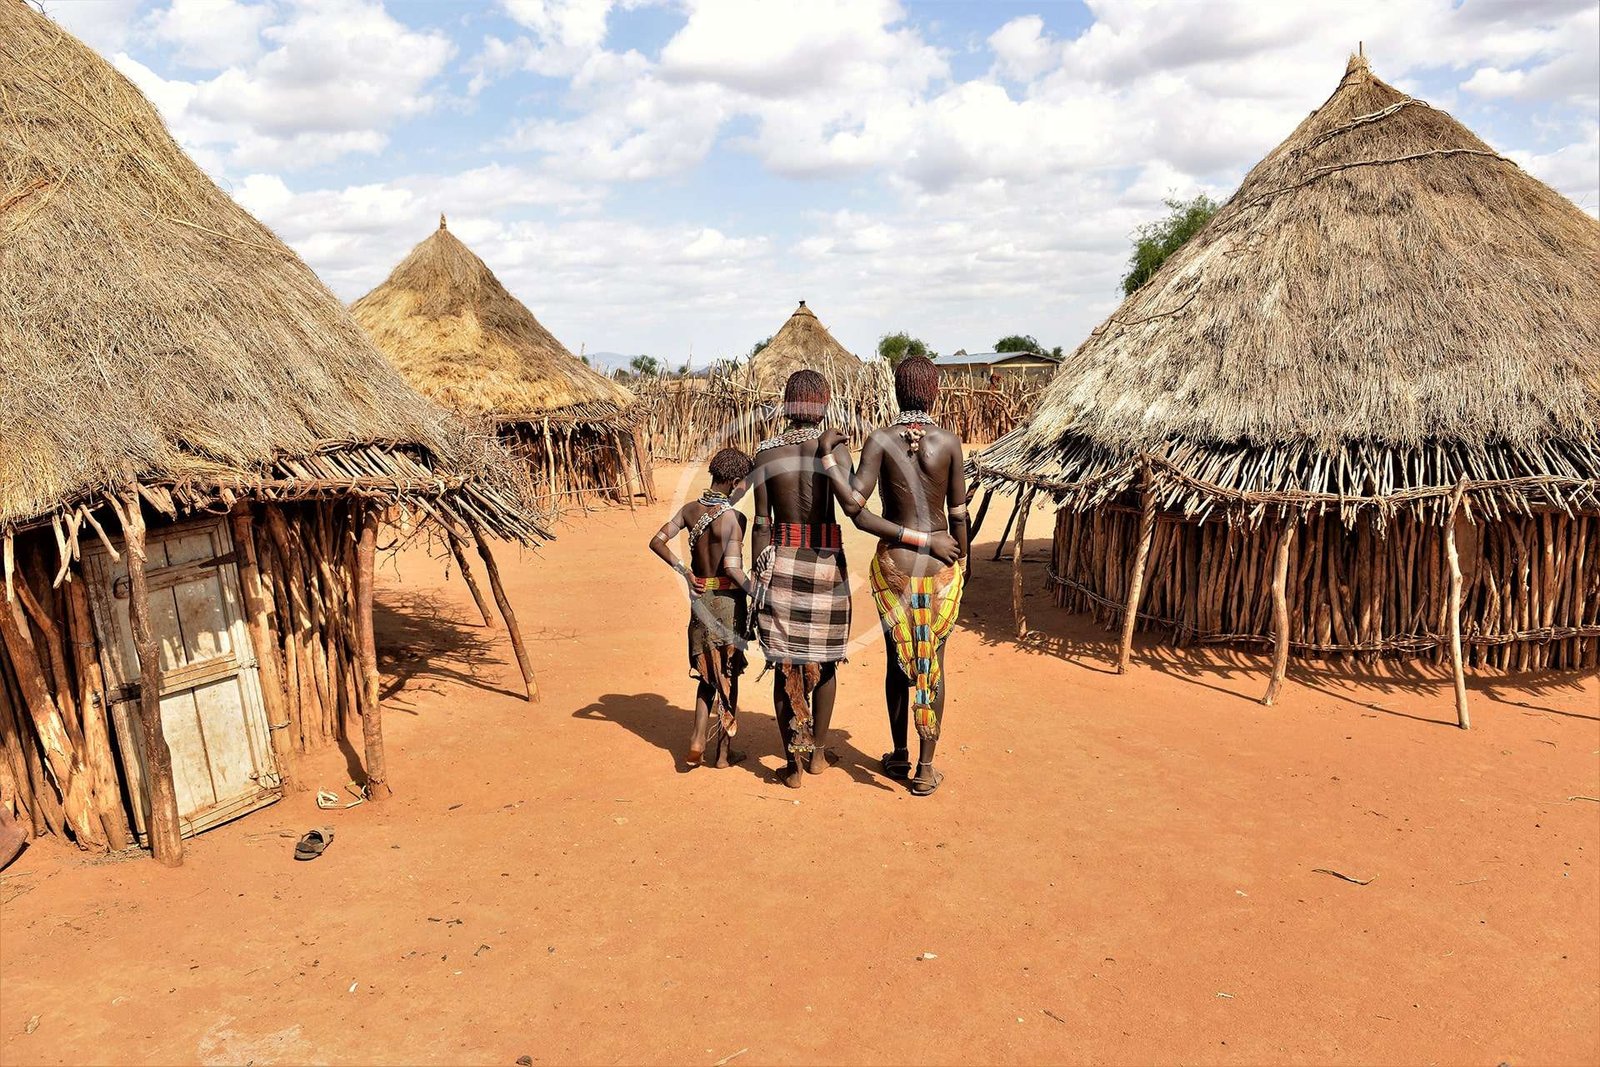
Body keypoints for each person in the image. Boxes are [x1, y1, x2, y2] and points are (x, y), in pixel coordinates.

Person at [820, 356, 968, 795]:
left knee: (896, 663)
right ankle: (925, 768)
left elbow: (855, 508)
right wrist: (962, 563)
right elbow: (959, 516)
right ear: (933, 391)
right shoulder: (949, 442)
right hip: (941, 568)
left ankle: (900, 753)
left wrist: (831, 461)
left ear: (898, 391)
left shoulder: (881, 440)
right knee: (932, 662)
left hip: (894, 567)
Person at [649, 447, 754, 769]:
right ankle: (723, 754)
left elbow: (657, 541)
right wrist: (759, 593)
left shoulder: (689, 510)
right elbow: (733, 569)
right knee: (729, 674)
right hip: (727, 604)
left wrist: (685, 571)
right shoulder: (733, 519)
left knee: (707, 674)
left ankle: (697, 738)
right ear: (735, 482)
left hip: (700, 602)